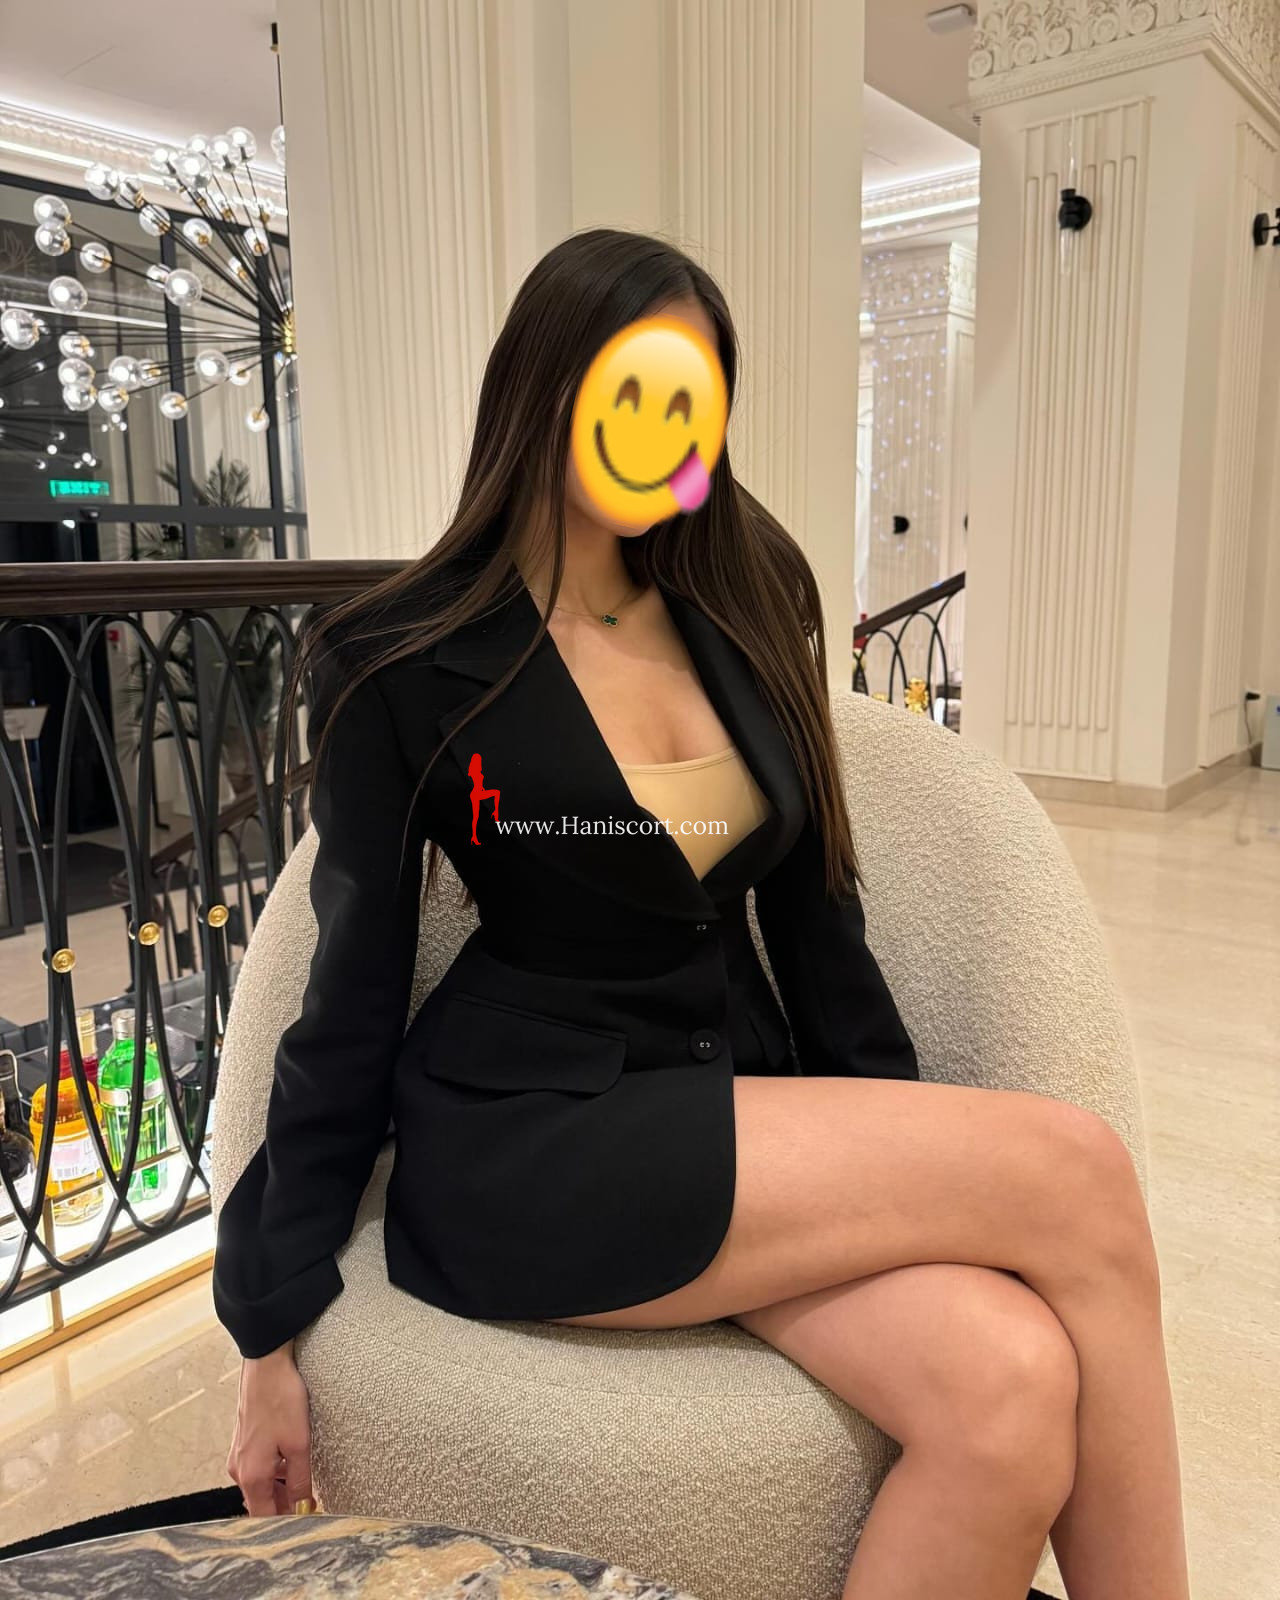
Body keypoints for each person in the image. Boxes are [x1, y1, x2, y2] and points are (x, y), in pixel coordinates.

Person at [215, 228, 1190, 1600]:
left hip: (724, 1105)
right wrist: (266, 1331)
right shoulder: (398, 658)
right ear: (546, 385)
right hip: (528, 1138)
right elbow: (350, 996)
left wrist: (896, 1162)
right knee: (1076, 1170)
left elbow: (819, 929)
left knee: (1012, 1390)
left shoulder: (743, 596)